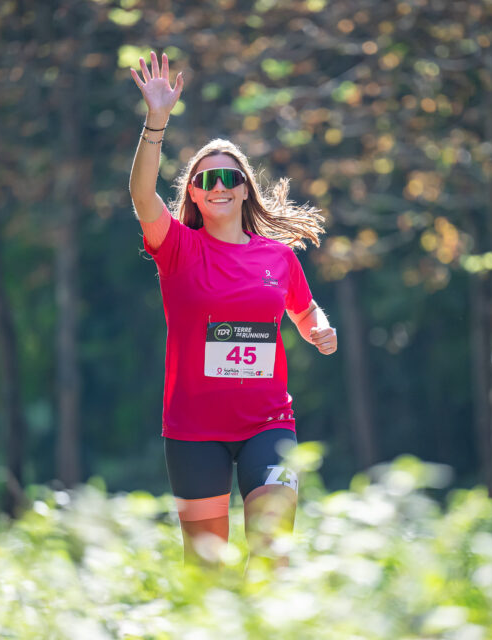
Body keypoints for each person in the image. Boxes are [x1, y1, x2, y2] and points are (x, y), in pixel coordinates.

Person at [129, 51, 337, 567]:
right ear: (194, 196)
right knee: (207, 571)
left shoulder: (278, 257)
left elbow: (305, 310)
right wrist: (157, 122)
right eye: (206, 181)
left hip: (268, 423)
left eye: (229, 178)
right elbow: (140, 194)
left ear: (246, 189)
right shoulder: (177, 249)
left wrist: (320, 329)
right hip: (193, 430)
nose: (218, 187)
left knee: (273, 552)